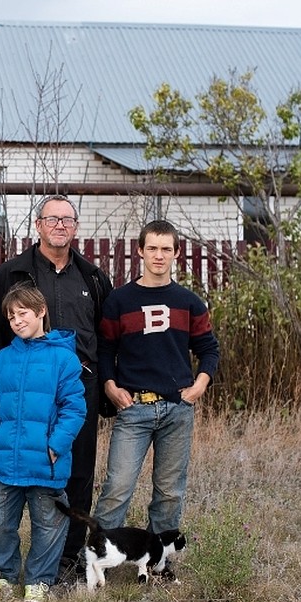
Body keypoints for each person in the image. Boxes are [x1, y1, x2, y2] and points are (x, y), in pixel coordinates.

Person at [0, 194, 113, 579]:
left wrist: (108, 389)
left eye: (68, 219)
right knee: (15, 480)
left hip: (77, 393)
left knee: (77, 476)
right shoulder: (10, 276)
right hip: (22, 399)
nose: (60, 225)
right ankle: (1, 558)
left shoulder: (94, 278)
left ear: (76, 227)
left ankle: (65, 561)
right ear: (38, 225)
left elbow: (107, 339)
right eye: (52, 218)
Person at [93, 219, 220, 542]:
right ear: (140, 251)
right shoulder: (120, 300)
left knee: (169, 491)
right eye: (152, 248)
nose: (159, 255)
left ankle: (159, 560)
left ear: (176, 253)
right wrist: (110, 386)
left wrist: (199, 385)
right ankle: (94, 557)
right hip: (134, 408)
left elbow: (208, 348)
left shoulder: (188, 302)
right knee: (118, 487)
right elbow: (105, 350)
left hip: (177, 409)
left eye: (166, 249)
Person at [0, 282, 87, 602]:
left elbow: (74, 408)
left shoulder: (63, 359)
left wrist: (55, 446)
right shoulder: (1, 360)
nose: (17, 321)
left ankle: (39, 582)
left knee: (48, 526)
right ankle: (0, 576)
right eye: (11, 316)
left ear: (41, 312)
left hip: (46, 463)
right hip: (5, 460)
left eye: (23, 313)